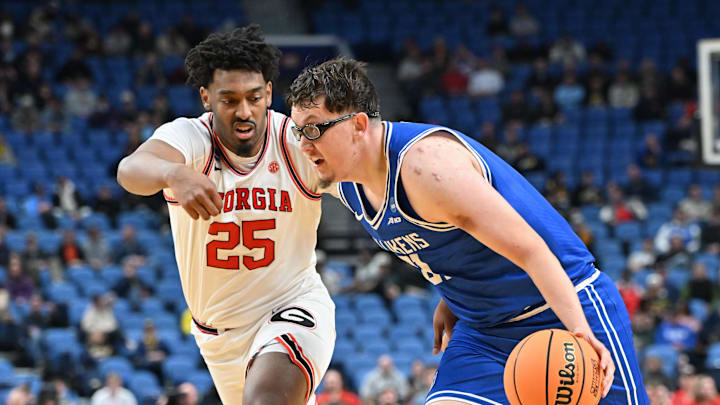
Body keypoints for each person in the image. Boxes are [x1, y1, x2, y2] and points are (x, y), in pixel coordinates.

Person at [287, 58, 649, 405]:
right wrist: (455, 291)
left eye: (315, 129)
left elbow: (531, 251)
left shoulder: (428, 168)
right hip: (484, 331)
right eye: (300, 130)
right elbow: (451, 238)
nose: (305, 143)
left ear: (359, 125)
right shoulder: (347, 179)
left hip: (562, 309)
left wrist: (581, 333)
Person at [116, 25, 335, 405]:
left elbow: (370, 184)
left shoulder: (298, 143)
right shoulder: (190, 139)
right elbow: (130, 171)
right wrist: (172, 173)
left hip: (293, 305)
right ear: (206, 97)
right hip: (218, 334)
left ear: (269, 92)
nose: (244, 111)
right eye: (229, 100)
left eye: (253, 97)